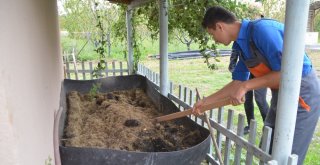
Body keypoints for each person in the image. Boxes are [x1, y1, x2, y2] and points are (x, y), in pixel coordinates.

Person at [192, 6, 320, 165]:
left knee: (287, 154)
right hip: (280, 94)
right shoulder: (240, 44)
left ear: (220, 26)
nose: (215, 40)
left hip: (303, 93)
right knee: (267, 149)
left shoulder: (263, 31)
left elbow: (287, 75)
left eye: (212, 34)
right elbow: (237, 83)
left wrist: (246, 86)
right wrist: (206, 102)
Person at [229, 43, 269, 135]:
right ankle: (250, 126)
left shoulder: (256, 34)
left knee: (260, 99)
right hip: (246, 69)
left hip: (260, 71)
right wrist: (233, 65)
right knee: (247, 99)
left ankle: (268, 126)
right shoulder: (239, 36)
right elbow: (235, 50)